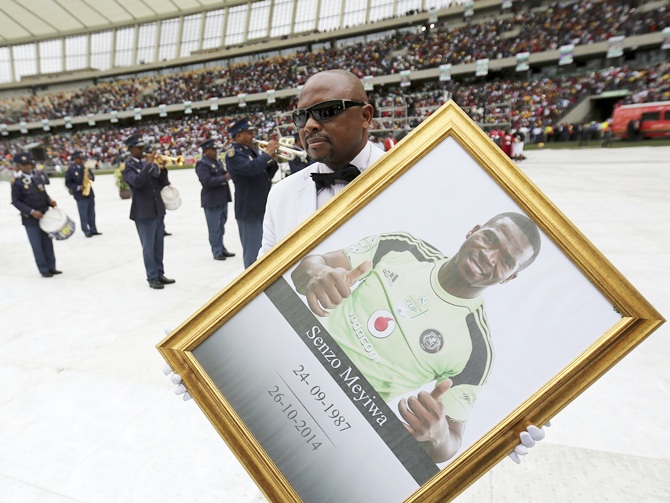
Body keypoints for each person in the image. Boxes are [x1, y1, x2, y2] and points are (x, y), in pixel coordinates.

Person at [290, 212, 542, 463]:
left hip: (337, 418)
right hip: (292, 360)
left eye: (506, 260)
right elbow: (309, 266)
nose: (489, 256)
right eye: (490, 239)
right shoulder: (401, 247)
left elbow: (450, 442)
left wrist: (437, 435)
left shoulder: (477, 350)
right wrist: (317, 274)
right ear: (472, 230)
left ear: (510, 277)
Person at [259, 69, 385, 256]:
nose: (309, 125)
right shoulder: (280, 196)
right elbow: (267, 278)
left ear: (365, 117)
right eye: (301, 117)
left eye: (326, 111)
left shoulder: (411, 179)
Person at [122, 133, 175, 290]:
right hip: (143, 212)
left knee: (158, 245)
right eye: (139, 148)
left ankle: (160, 273)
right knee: (148, 247)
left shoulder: (149, 164)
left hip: (157, 209)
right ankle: (152, 277)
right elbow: (137, 182)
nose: (142, 150)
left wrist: (163, 168)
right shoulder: (128, 166)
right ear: (131, 149)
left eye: (143, 147)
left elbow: (161, 183)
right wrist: (149, 164)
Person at [225, 117, 279, 268]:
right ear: (239, 135)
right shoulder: (233, 153)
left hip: (262, 205)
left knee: (267, 248)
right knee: (253, 253)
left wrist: (272, 159)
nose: (252, 136)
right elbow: (250, 169)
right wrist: (267, 153)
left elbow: (267, 174)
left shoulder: (252, 151)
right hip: (249, 208)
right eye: (249, 133)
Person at [10, 152, 61, 277]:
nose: (27, 166)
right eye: (23, 164)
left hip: (44, 215)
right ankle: (44, 269)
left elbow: (43, 194)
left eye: (28, 163)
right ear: (19, 166)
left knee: (47, 243)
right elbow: (16, 201)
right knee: (37, 245)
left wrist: (50, 201)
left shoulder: (37, 177)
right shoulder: (17, 182)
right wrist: (31, 212)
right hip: (31, 219)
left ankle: (52, 267)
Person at [195, 139, 235, 260]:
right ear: (206, 151)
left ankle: (222, 248)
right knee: (214, 229)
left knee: (221, 226)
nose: (215, 152)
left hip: (222, 198)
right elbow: (206, 181)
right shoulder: (202, 163)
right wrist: (225, 178)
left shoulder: (216, 161)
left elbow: (223, 173)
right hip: (212, 200)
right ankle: (217, 251)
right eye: (213, 150)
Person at [64, 151, 101, 238]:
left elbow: (93, 177)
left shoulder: (85, 167)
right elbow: (68, 183)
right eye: (80, 159)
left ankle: (93, 229)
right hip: (80, 195)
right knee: (83, 214)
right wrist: (77, 187)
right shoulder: (71, 169)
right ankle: (86, 230)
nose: (81, 160)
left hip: (89, 193)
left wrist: (90, 177)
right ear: (75, 159)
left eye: (82, 159)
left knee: (92, 213)